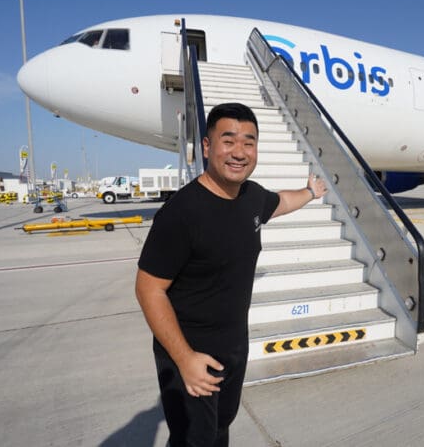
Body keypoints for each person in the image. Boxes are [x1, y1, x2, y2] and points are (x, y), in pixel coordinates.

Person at [135, 102, 327, 447]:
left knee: (220, 428)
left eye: (249, 142)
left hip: (234, 346)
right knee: (194, 439)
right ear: (208, 146)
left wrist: (311, 193)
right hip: (190, 352)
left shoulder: (251, 197)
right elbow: (149, 290)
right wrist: (184, 359)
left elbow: (280, 202)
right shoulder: (181, 213)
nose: (239, 152)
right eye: (229, 140)